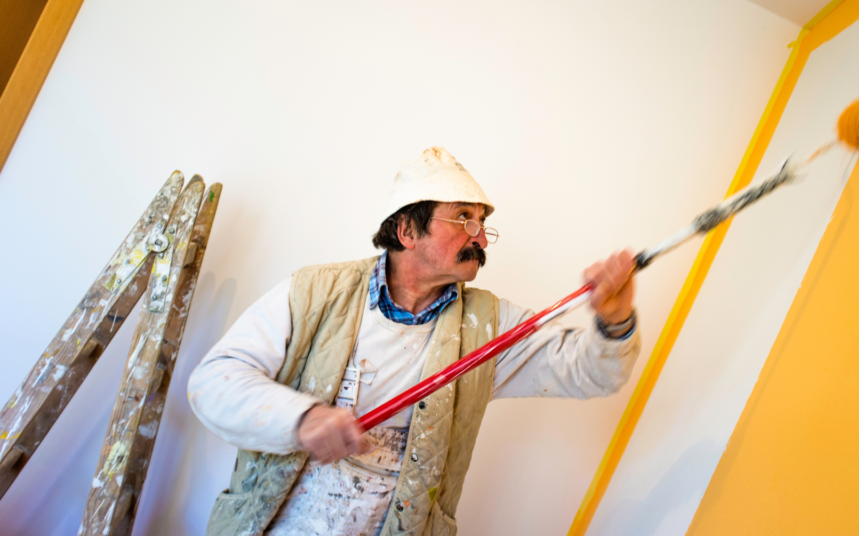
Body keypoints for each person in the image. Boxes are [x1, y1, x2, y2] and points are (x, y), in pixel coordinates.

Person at [188, 147, 641, 536]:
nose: (481, 237)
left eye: (482, 223)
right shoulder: (313, 292)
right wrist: (302, 419)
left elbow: (593, 372)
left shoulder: (489, 326)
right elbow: (213, 382)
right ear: (406, 230)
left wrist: (615, 316)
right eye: (464, 218)